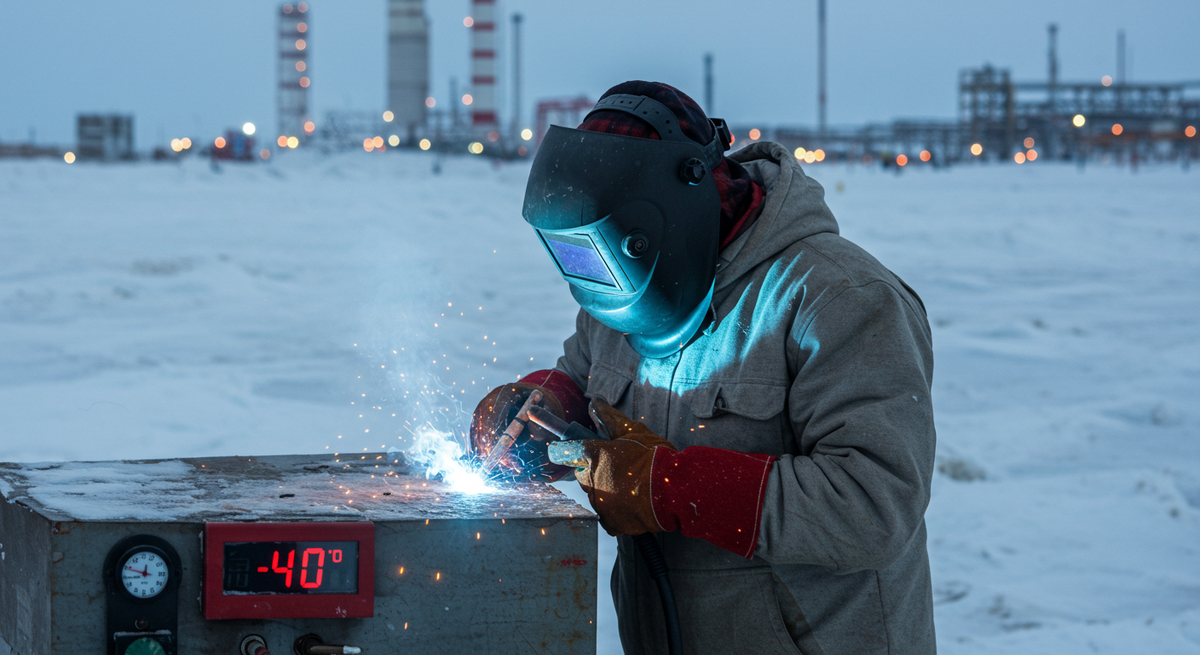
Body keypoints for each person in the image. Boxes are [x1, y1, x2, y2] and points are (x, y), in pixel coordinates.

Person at [470, 81, 936, 655]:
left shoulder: (839, 298)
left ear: (668, 212)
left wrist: (668, 486)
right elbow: (585, 381)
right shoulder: (618, 282)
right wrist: (540, 406)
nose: (596, 271)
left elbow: (873, 506)